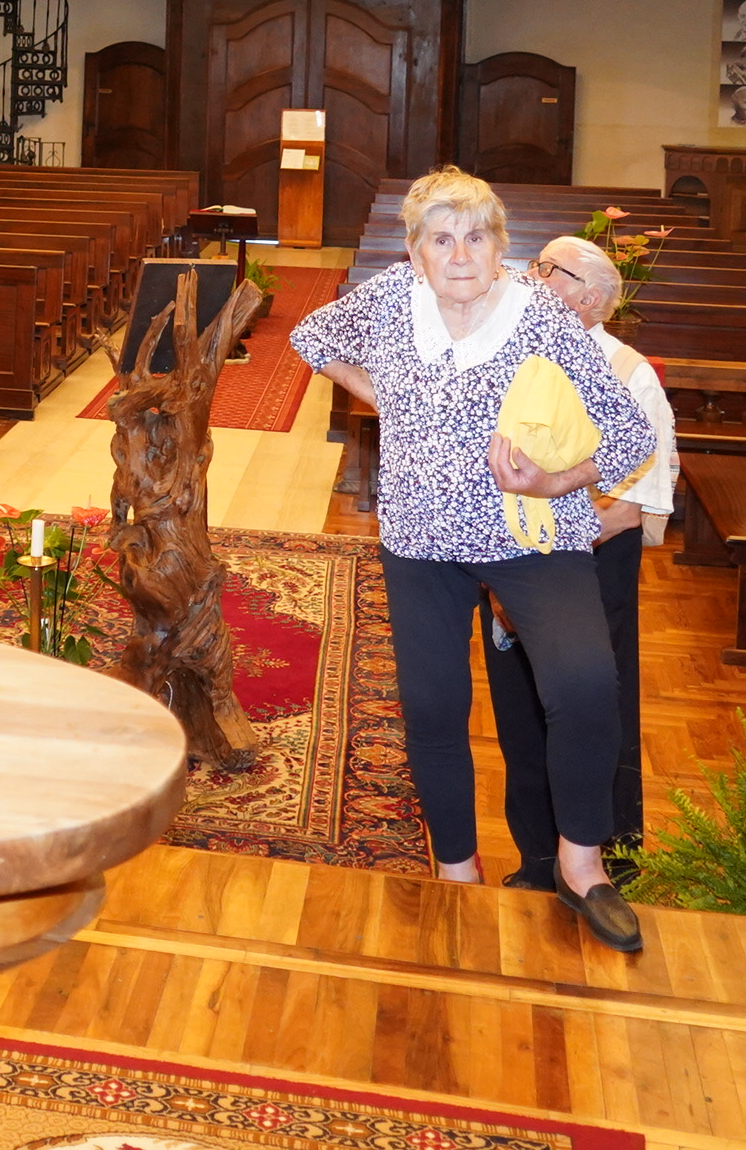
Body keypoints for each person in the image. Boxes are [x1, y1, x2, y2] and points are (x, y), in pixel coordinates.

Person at [289, 167, 655, 952]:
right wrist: (389, 396)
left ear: (500, 247)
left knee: (586, 684)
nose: (459, 255)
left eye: (476, 237)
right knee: (431, 705)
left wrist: (553, 480)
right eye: (441, 239)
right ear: (416, 252)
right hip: (421, 538)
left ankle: (582, 866)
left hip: (531, 535)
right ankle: (456, 866)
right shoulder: (392, 299)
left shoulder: (541, 316)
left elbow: (631, 435)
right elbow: (310, 338)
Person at [484, 233, 679, 889]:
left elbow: (635, 505)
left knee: (591, 713)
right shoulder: (512, 356)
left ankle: (605, 862)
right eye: (534, 265)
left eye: (549, 269)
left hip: (588, 570)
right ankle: (537, 860)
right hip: (508, 564)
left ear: (591, 298)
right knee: (519, 714)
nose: (532, 277)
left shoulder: (629, 373)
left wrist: (541, 554)